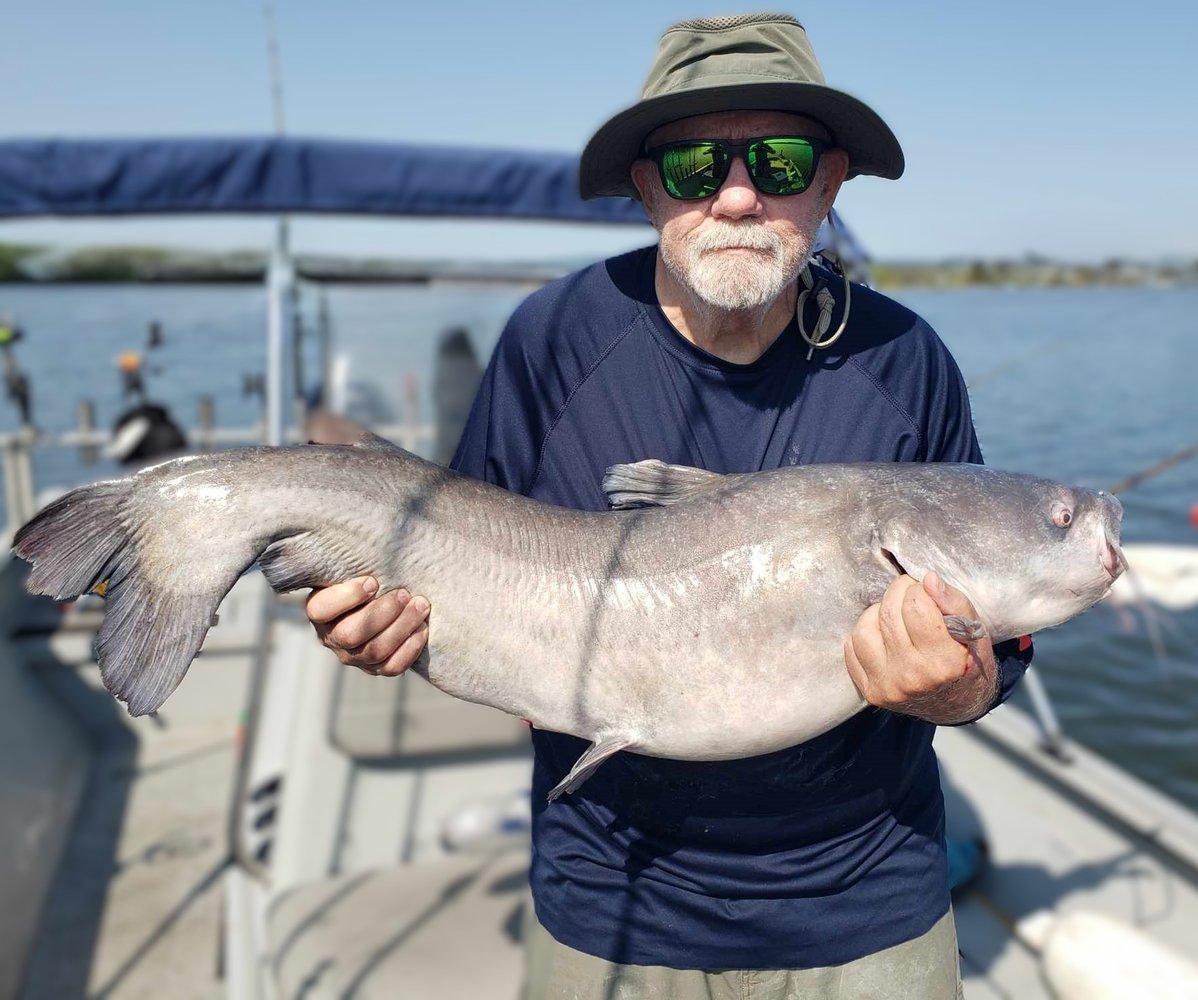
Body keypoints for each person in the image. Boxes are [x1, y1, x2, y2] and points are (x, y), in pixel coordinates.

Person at [306, 13, 1032, 997]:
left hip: (865, 894)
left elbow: (1002, 636)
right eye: (695, 165)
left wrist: (962, 687)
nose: (737, 195)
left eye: (777, 161)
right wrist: (384, 625)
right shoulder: (549, 341)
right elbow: (457, 576)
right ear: (648, 188)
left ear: (828, 183)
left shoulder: (906, 359)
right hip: (609, 889)